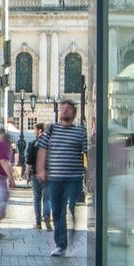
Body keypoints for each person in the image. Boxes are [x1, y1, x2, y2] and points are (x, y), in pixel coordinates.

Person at [36, 100, 89, 257]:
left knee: (72, 209)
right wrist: (40, 170)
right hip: (55, 178)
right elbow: (42, 150)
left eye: (69, 109)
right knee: (58, 211)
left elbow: (87, 153)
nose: (65, 110)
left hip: (74, 177)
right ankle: (61, 244)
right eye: (63, 108)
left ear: (74, 114)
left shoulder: (81, 131)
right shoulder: (51, 129)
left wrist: (91, 172)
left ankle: (71, 235)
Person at [29, 123, 51, 229]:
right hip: (48, 174)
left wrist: (27, 174)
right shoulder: (50, 143)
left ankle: (38, 223)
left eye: (35, 130)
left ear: (40, 131)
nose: (34, 132)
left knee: (37, 199)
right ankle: (47, 217)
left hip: (36, 174)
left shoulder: (34, 143)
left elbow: (29, 160)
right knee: (47, 199)